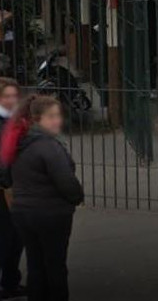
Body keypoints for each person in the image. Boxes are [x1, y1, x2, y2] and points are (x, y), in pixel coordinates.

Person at [5, 96, 84, 301]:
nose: (57, 121)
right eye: (51, 117)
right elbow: (66, 181)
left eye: (58, 116)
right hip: (50, 213)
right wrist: (76, 198)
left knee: (35, 263)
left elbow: (4, 175)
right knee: (55, 266)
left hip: (22, 212)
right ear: (36, 119)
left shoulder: (18, 142)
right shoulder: (48, 146)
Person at [0, 78, 24, 298]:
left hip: (16, 185)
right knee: (6, 237)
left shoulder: (18, 120)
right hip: (5, 189)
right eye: (6, 96)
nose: (11, 100)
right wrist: (7, 184)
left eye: (14, 96)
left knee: (17, 237)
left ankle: (10, 282)